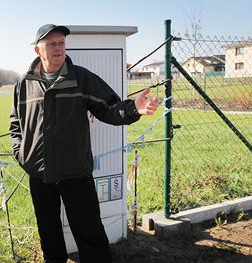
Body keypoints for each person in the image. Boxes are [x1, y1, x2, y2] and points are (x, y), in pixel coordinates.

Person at [9, 24, 159, 263]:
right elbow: (16, 122)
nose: (59, 48)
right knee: (48, 231)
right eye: (52, 44)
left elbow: (109, 108)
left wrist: (134, 109)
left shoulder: (80, 77)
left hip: (75, 171)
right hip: (39, 173)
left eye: (61, 43)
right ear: (38, 50)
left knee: (89, 231)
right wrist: (21, 153)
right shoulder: (24, 84)